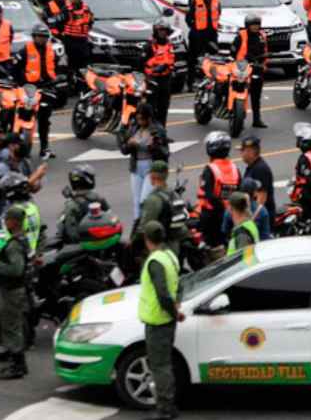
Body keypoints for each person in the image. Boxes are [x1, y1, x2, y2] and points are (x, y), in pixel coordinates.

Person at [138, 220, 183, 420]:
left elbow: (163, 294)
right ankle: (168, 405)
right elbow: (179, 285)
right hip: (167, 320)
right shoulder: (170, 256)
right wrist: (177, 307)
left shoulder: (155, 261)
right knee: (165, 364)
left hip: (158, 321)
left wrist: (174, 312)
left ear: (147, 240)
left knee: (160, 366)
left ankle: (166, 409)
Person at [0, 205, 31, 380]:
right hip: (15, 289)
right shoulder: (22, 239)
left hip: (11, 290)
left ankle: (17, 366)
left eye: (7, 219)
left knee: (11, 327)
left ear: (13, 222)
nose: (5, 222)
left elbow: (16, 269)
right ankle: (16, 362)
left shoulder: (14, 245)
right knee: (12, 326)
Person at [13, 24, 59, 159]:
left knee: (44, 118)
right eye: (40, 36)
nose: (43, 39)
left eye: (45, 36)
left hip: (46, 88)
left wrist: (59, 79)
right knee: (22, 114)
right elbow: (14, 68)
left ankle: (45, 148)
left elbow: (57, 67)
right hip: (28, 88)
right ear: (34, 36)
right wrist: (21, 83)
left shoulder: (51, 50)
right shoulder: (25, 50)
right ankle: (16, 144)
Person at [134, 160, 190, 256]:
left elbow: (144, 228)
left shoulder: (153, 199)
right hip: (175, 246)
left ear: (152, 176)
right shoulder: (174, 194)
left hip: (160, 249)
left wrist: (133, 243)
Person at [197, 131, 237, 257]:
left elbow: (208, 195)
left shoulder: (210, 169)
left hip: (211, 218)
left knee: (209, 250)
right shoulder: (235, 168)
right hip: (230, 214)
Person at [125, 104, 168, 219]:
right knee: (136, 201)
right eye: (138, 119)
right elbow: (124, 149)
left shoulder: (157, 130)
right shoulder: (134, 128)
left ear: (149, 118)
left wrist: (151, 146)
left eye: (142, 119)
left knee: (144, 200)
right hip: (136, 167)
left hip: (150, 167)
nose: (140, 121)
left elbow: (164, 152)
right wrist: (128, 144)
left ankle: (147, 226)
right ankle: (137, 227)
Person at [234, 13, 269, 129]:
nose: (255, 27)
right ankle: (237, 116)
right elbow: (233, 50)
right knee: (239, 92)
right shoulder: (241, 35)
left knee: (256, 94)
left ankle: (257, 119)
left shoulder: (262, 36)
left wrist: (263, 62)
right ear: (247, 25)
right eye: (253, 25)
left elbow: (265, 51)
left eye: (257, 25)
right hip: (242, 67)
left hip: (257, 67)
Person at [58, 164, 107, 245]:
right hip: (101, 239)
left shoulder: (71, 204)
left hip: (82, 244)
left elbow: (71, 233)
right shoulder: (99, 197)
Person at [185, 0, 220, 90]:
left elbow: (218, 14)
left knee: (212, 58)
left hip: (211, 34)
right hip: (198, 35)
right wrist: (195, 28)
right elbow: (188, 18)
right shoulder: (196, 1)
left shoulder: (216, 1)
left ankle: (212, 80)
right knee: (193, 59)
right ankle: (191, 83)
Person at [0, 171, 43, 254]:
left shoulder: (14, 212)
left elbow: (18, 237)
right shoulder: (31, 206)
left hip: (19, 254)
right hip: (34, 250)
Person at [57, 0, 94, 84]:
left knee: (84, 64)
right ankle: (71, 83)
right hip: (70, 40)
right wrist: (62, 36)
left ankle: (84, 83)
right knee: (71, 64)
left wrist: (85, 32)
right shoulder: (66, 10)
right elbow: (58, 24)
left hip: (83, 40)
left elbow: (90, 22)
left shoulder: (87, 9)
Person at [144, 22, 175, 126]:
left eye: (164, 31)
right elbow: (142, 62)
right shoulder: (149, 45)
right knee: (151, 106)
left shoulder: (170, 45)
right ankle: (150, 129)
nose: (162, 33)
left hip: (166, 79)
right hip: (152, 79)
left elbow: (172, 60)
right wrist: (152, 72)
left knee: (163, 107)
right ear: (156, 32)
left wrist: (168, 67)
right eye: (160, 31)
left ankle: (162, 132)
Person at [239, 135, 274, 218]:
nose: (241, 153)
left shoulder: (260, 169)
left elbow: (261, 199)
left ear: (251, 152)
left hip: (259, 219)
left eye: (242, 150)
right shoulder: (252, 166)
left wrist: (251, 219)